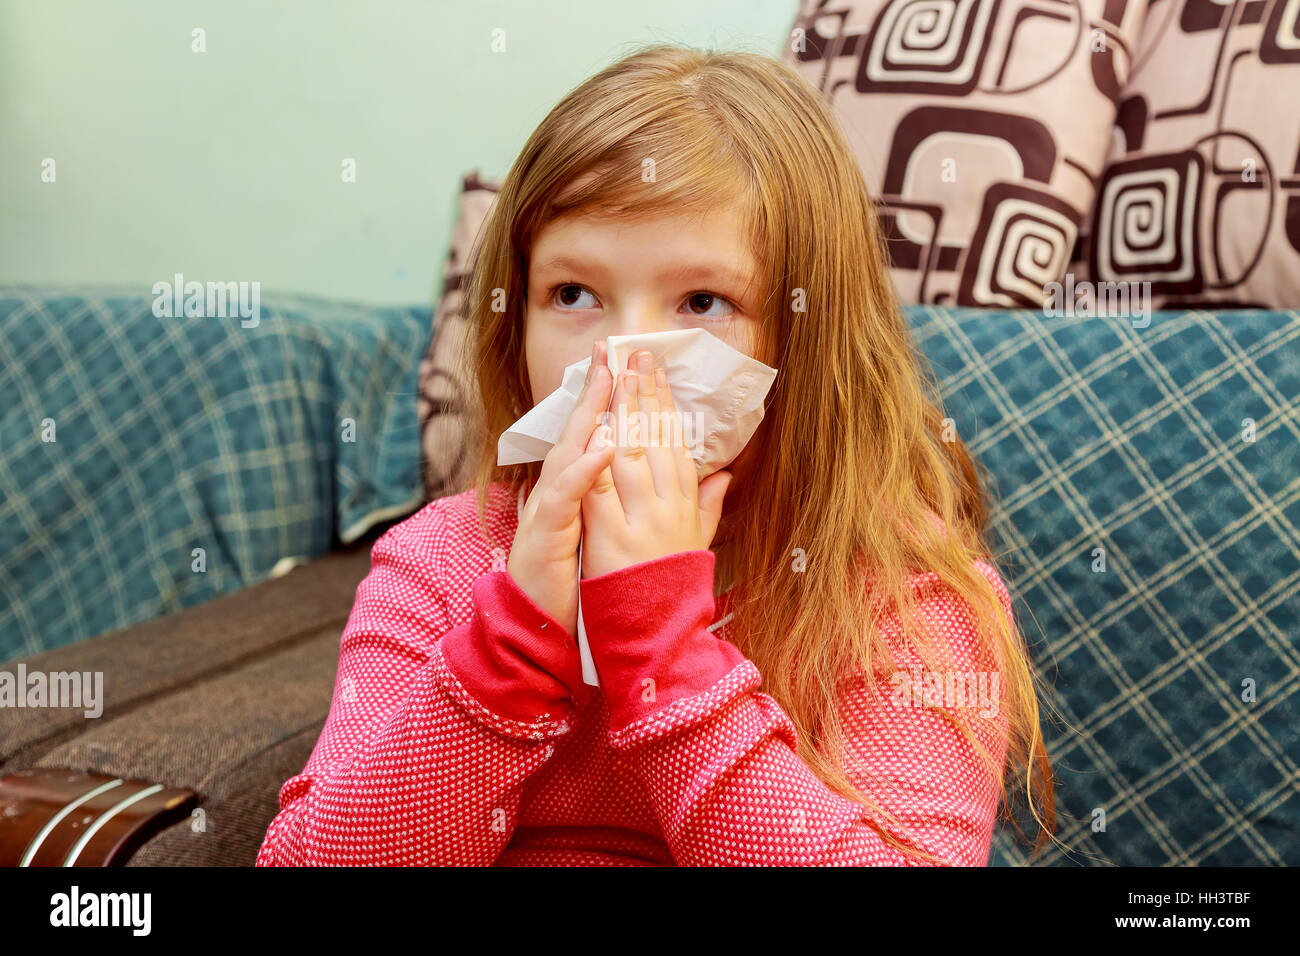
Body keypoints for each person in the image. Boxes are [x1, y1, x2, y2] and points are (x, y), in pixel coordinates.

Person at [256, 43, 1056, 866]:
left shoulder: (902, 603)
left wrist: (664, 649)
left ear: (806, 340)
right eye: (574, 295)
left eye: (701, 301)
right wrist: (508, 649)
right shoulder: (441, 563)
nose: (623, 361)